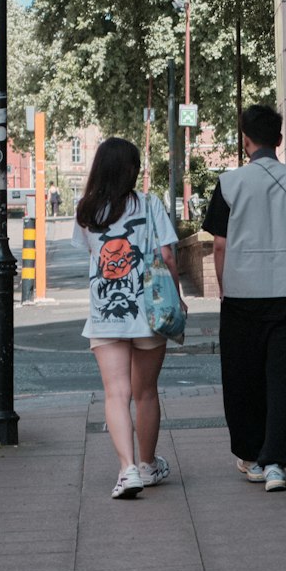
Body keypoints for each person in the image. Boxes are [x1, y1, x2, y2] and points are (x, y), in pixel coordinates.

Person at [202, 103, 286, 492]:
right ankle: (276, 462)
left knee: (243, 378)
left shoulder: (229, 184)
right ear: (279, 140)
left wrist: (227, 288)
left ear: (246, 141)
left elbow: (221, 247)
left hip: (244, 295)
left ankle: (251, 456)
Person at [76, 137, 186, 499]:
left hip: (105, 313)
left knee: (116, 393)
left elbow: (92, 254)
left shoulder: (86, 212)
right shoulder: (150, 204)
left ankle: (127, 471)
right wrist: (179, 298)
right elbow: (167, 256)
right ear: (132, 170)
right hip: (148, 311)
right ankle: (148, 464)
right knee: (145, 392)